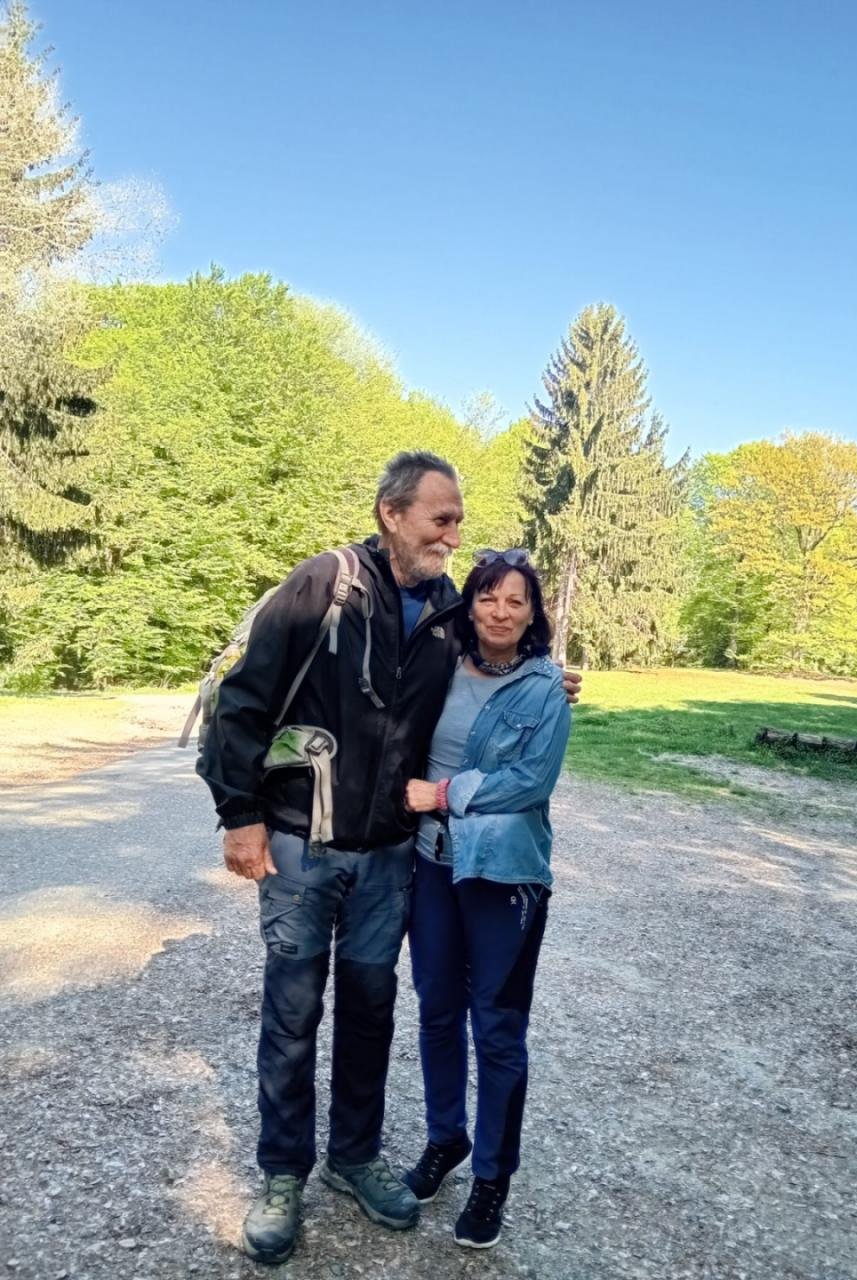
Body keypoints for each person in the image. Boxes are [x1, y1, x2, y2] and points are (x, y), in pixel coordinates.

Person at [197, 452, 580, 1266]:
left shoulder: (448, 609)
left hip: (388, 856)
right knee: (293, 1014)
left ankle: (354, 1157)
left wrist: (549, 678)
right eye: (441, 518)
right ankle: (282, 1174)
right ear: (391, 514)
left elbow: (495, 665)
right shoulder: (324, 585)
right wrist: (241, 817)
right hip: (300, 846)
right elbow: (242, 701)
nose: (454, 535)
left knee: (371, 1012)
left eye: (458, 521)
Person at [401, 549, 571, 1250]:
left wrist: (443, 794)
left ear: (533, 616)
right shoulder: (438, 668)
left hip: (503, 876)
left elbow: (531, 782)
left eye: (515, 601)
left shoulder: (546, 688)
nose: (500, 612)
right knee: (437, 1012)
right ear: (468, 606)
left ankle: (493, 1177)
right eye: (487, 598)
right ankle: (446, 1138)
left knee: (496, 1030)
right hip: (430, 867)